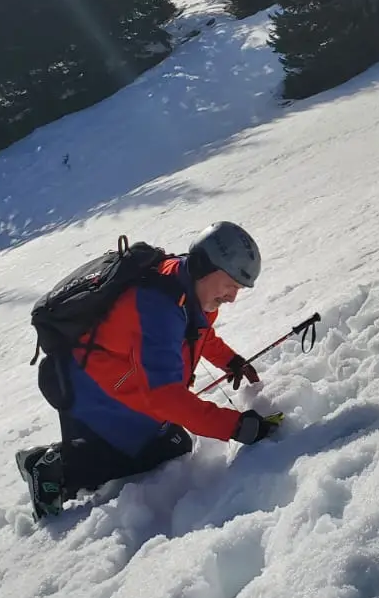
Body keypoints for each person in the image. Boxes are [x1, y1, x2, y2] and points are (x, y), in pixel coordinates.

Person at [15, 221, 282, 519]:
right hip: (96, 387)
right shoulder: (158, 306)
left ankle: (72, 456)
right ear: (206, 266)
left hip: (128, 380)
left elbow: (197, 332)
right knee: (142, 453)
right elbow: (165, 396)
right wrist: (235, 426)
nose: (232, 297)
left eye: (238, 288)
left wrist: (229, 360)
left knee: (173, 445)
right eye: (231, 284)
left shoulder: (189, 284)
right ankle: (49, 468)